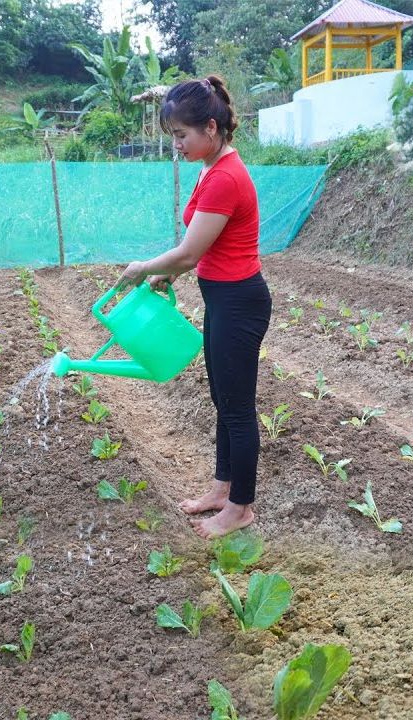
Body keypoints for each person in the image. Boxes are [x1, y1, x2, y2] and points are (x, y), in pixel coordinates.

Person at [115, 76, 271, 540]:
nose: (177, 146)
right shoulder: (212, 166)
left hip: (239, 302)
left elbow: (188, 251)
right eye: (173, 137)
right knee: (223, 399)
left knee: (238, 408)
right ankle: (223, 489)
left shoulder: (224, 177)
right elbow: (205, 248)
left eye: (181, 136)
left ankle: (240, 507)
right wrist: (173, 274)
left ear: (210, 127)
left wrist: (146, 268)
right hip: (222, 298)